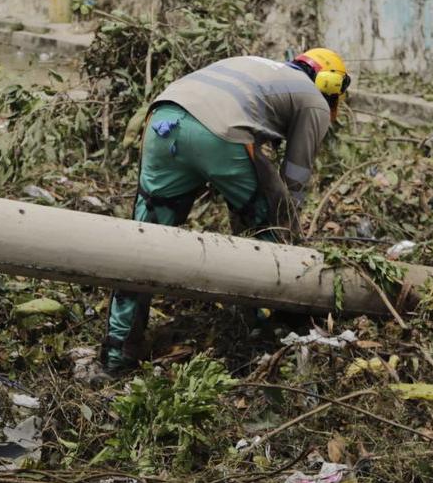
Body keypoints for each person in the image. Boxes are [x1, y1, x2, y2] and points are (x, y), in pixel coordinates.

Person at [101, 48, 349, 374]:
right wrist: (281, 225)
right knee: (269, 236)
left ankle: (116, 356)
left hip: (163, 118)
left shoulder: (258, 66)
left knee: (144, 241)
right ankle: (271, 344)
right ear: (330, 84)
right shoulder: (314, 100)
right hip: (220, 133)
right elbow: (295, 177)